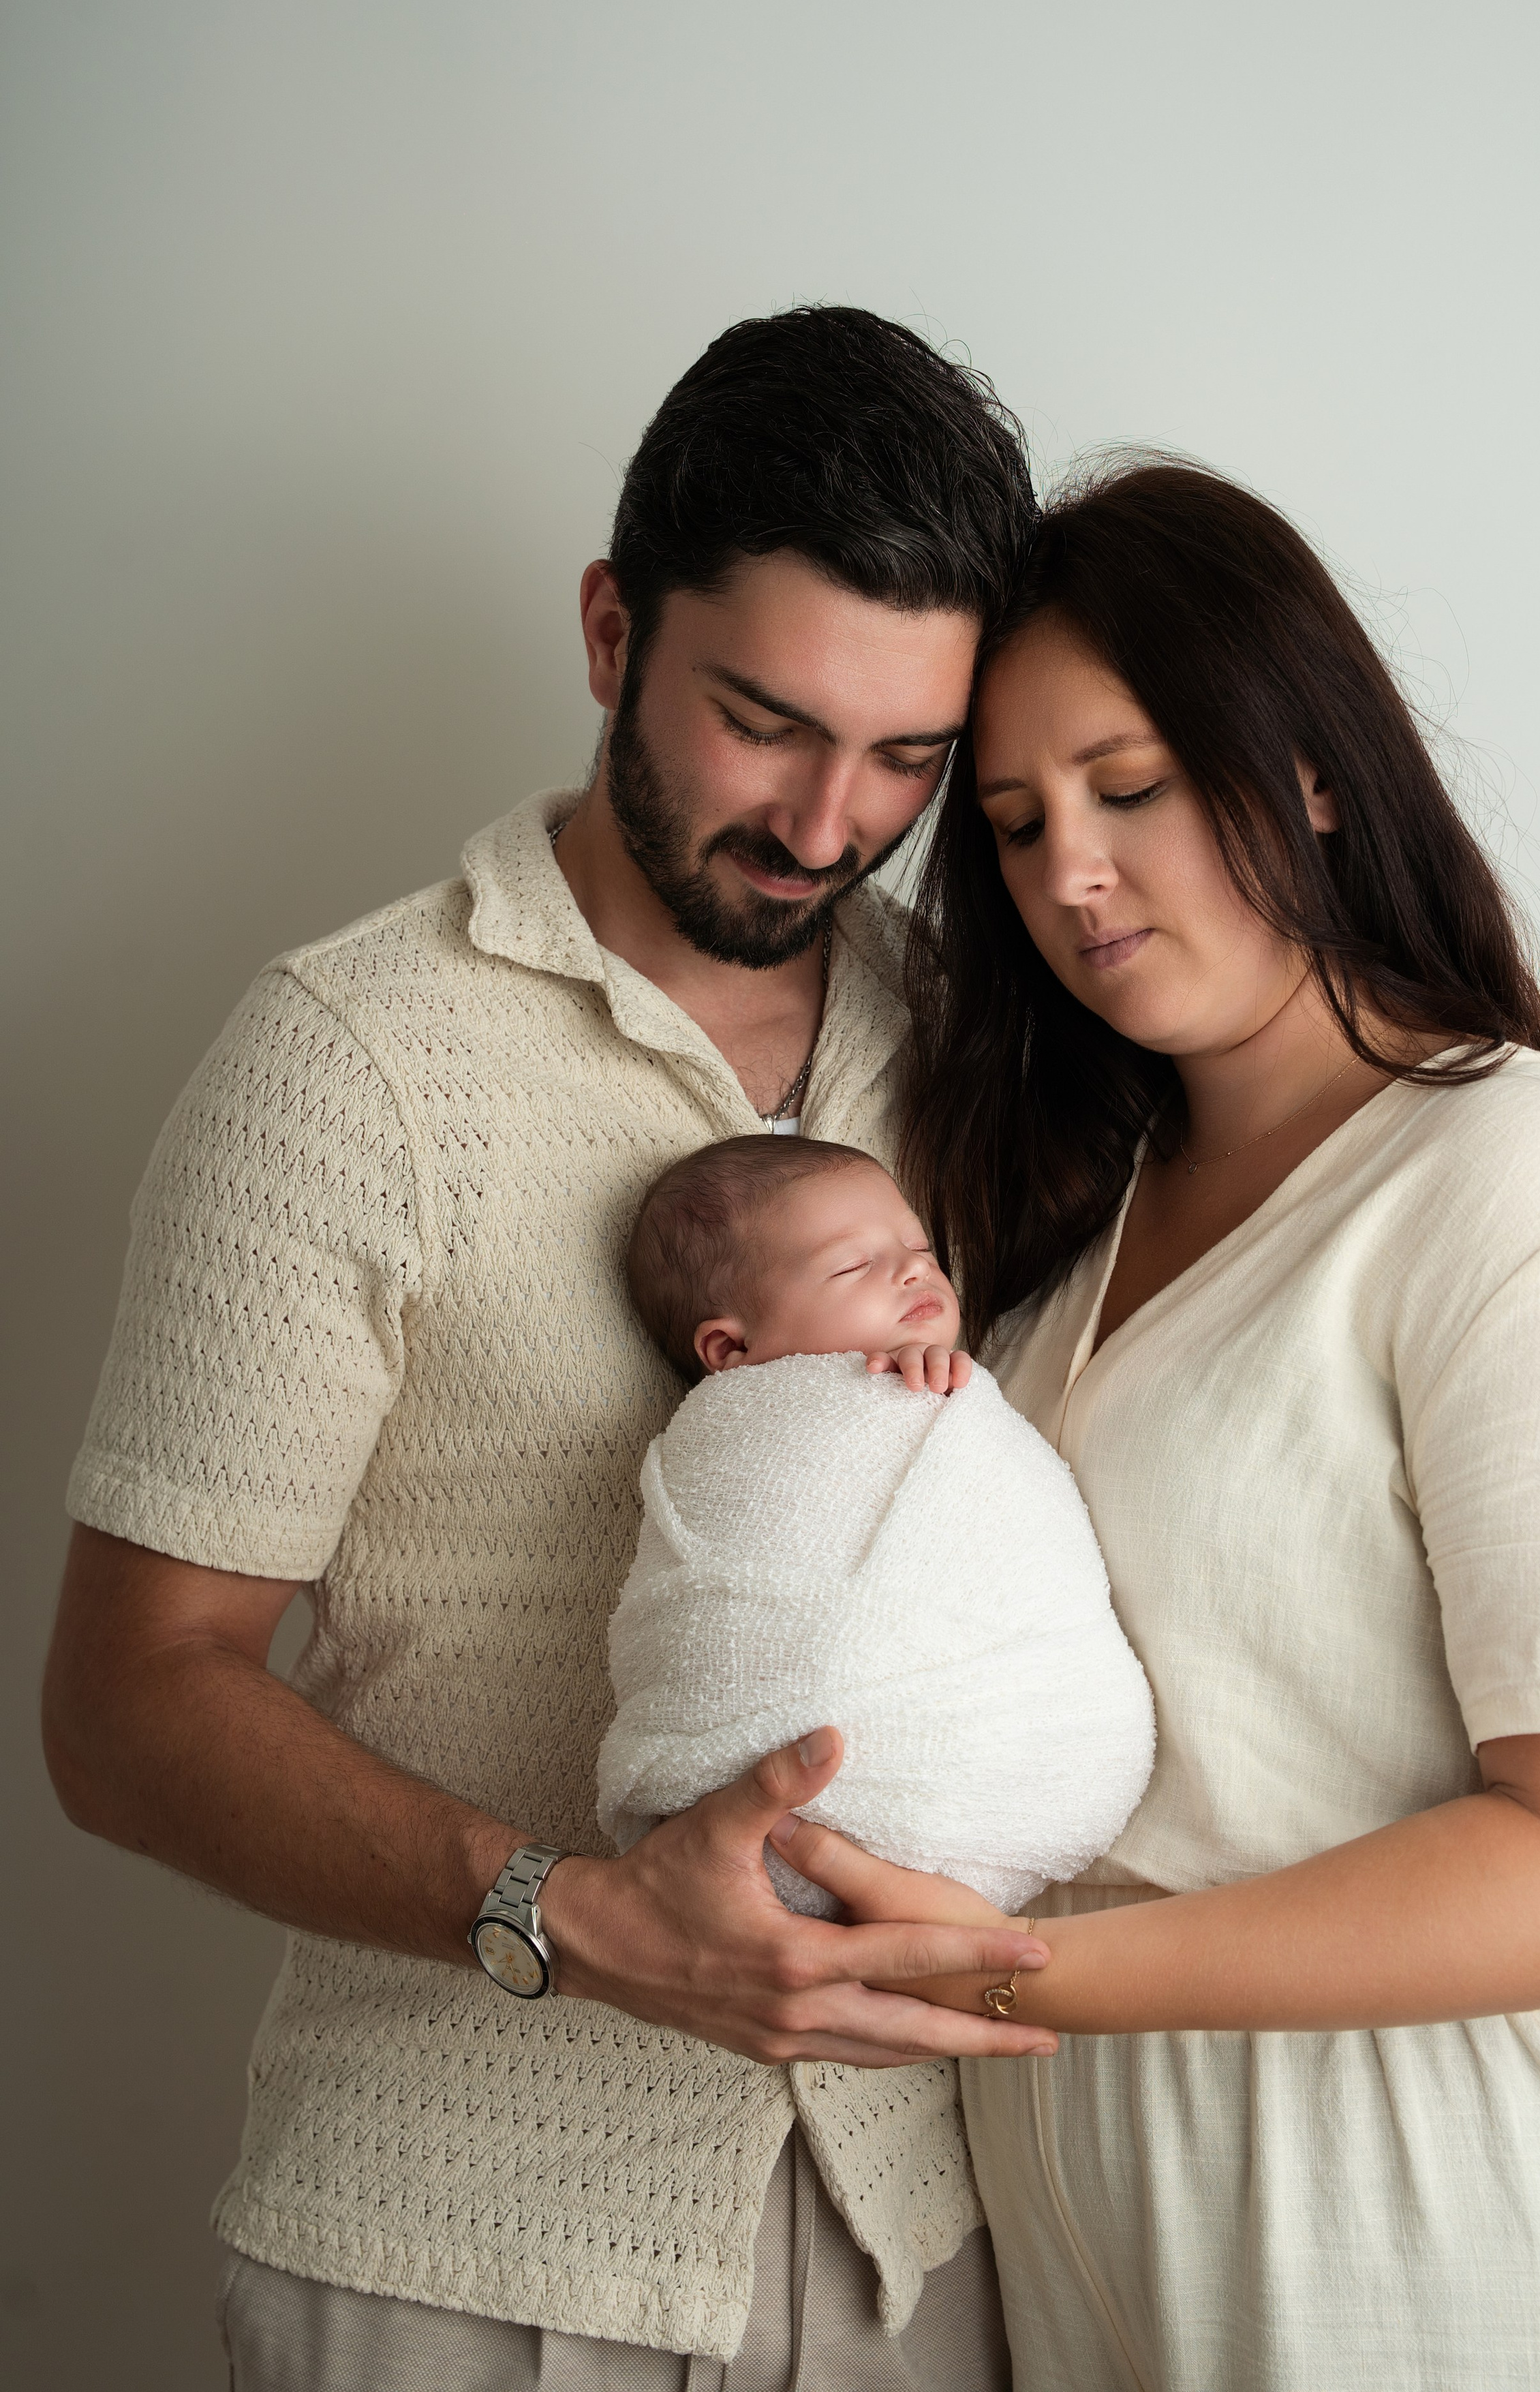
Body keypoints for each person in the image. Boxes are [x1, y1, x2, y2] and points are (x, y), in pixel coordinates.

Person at [40, 307, 1057, 2391]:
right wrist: (569, 1915)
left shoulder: (973, 1036)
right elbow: (125, 1703)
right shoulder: (346, 1062)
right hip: (456, 2252)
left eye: (906, 759)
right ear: (611, 630)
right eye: (761, 720)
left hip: (923, 2237)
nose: (823, 818)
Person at [773, 457, 1540, 2389]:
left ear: (1306, 767)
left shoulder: (1526, 1192)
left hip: (1449, 2239)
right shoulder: (1055, 1249)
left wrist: (1016, 1969)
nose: (1069, 875)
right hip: (1113, 2260)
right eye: (1020, 822)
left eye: (1128, 791)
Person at [598, 1134, 1154, 1916]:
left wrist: (944, 1392)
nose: (914, 1270)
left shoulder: (931, 1394)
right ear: (730, 1348)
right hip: (789, 1805)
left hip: (999, 1778)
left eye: (920, 1249)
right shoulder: (741, 1435)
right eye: (852, 1265)